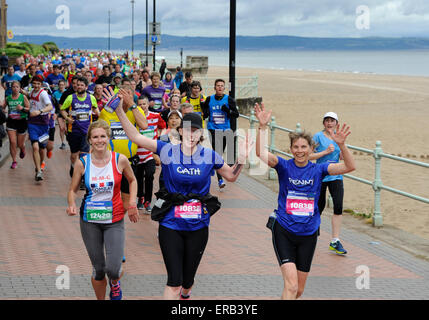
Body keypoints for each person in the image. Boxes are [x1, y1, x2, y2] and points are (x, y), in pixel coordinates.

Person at [107, 87, 251, 300]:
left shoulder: (209, 155)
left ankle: (186, 292)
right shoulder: (167, 150)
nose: (191, 134)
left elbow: (230, 176)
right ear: (180, 131)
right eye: (187, 130)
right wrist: (120, 110)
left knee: (187, 282)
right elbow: (136, 136)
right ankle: (178, 291)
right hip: (170, 224)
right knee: (173, 282)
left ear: (201, 133)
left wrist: (241, 159)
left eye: (196, 130)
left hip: (198, 225)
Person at [254, 102, 355, 300]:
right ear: (291, 149)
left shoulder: (319, 169)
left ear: (311, 149)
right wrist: (262, 127)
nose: (299, 151)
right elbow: (260, 154)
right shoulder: (283, 166)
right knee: (291, 286)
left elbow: (350, 167)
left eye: (304, 147)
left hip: (308, 234)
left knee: (298, 291)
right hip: (284, 230)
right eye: (296, 147)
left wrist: (342, 145)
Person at [66, 120, 139, 300]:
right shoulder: (82, 163)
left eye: (103, 136)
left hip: (114, 219)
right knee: (99, 269)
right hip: (90, 220)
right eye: (95, 137)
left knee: (113, 269)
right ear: (90, 140)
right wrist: (71, 204)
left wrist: (132, 203)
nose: (99, 140)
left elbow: (133, 180)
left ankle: (115, 282)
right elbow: (72, 190)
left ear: (108, 138)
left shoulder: (119, 159)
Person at [99, 85, 148, 214]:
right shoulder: (107, 112)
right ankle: (109, 221)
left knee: (126, 201)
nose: (124, 99)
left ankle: (118, 222)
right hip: (110, 161)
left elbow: (143, 125)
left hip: (129, 162)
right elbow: (97, 133)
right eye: (121, 96)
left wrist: (131, 104)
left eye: (128, 96)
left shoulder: (135, 111)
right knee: (108, 197)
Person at [309, 112, 348, 255]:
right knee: (319, 206)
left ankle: (335, 240)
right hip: (321, 174)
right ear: (323, 123)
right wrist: (324, 152)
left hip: (336, 175)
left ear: (337, 123)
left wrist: (341, 144)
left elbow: (343, 157)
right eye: (327, 120)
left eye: (332, 121)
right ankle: (312, 232)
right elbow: (308, 155)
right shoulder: (317, 137)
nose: (329, 123)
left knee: (338, 206)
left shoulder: (339, 136)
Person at [60, 76, 99, 180]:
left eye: (82, 85)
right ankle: (73, 167)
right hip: (73, 130)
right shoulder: (71, 98)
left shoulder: (91, 98)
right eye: (78, 85)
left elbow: (96, 110)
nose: (79, 87)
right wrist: (67, 118)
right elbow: (62, 110)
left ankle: (82, 177)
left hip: (86, 131)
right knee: (74, 155)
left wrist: (100, 115)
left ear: (86, 87)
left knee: (84, 155)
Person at [202, 79, 239, 189]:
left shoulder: (229, 100)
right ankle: (220, 179)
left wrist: (227, 111)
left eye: (222, 86)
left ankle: (217, 170)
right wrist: (205, 112)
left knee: (222, 154)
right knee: (218, 154)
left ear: (224, 88)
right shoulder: (209, 99)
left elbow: (236, 115)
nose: (220, 88)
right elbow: (205, 111)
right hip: (213, 129)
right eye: (218, 86)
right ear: (214, 87)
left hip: (225, 130)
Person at [135, 96, 166, 212]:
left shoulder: (156, 116)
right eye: (140, 104)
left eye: (144, 104)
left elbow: (163, 127)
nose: (142, 106)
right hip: (137, 153)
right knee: (138, 177)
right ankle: (140, 198)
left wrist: (159, 141)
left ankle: (148, 201)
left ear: (148, 104)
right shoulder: (134, 117)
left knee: (149, 175)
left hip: (150, 153)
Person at [27, 75, 53, 181]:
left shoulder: (43, 94)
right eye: (34, 83)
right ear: (32, 83)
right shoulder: (32, 92)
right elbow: (28, 95)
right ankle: (38, 171)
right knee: (35, 147)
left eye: (38, 84)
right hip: (32, 123)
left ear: (41, 84)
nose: (36, 85)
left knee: (42, 149)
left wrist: (40, 111)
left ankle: (40, 164)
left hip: (43, 124)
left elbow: (50, 106)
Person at [3, 81, 30, 169]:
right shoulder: (8, 98)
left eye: (17, 87)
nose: (15, 88)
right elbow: (2, 106)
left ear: (20, 88)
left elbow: (29, 109)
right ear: (11, 88)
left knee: (19, 144)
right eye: (13, 87)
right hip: (11, 122)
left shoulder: (23, 97)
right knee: (12, 142)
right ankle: (14, 161)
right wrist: (3, 109)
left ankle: (22, 148)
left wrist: (22, 108)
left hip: (21, 121)